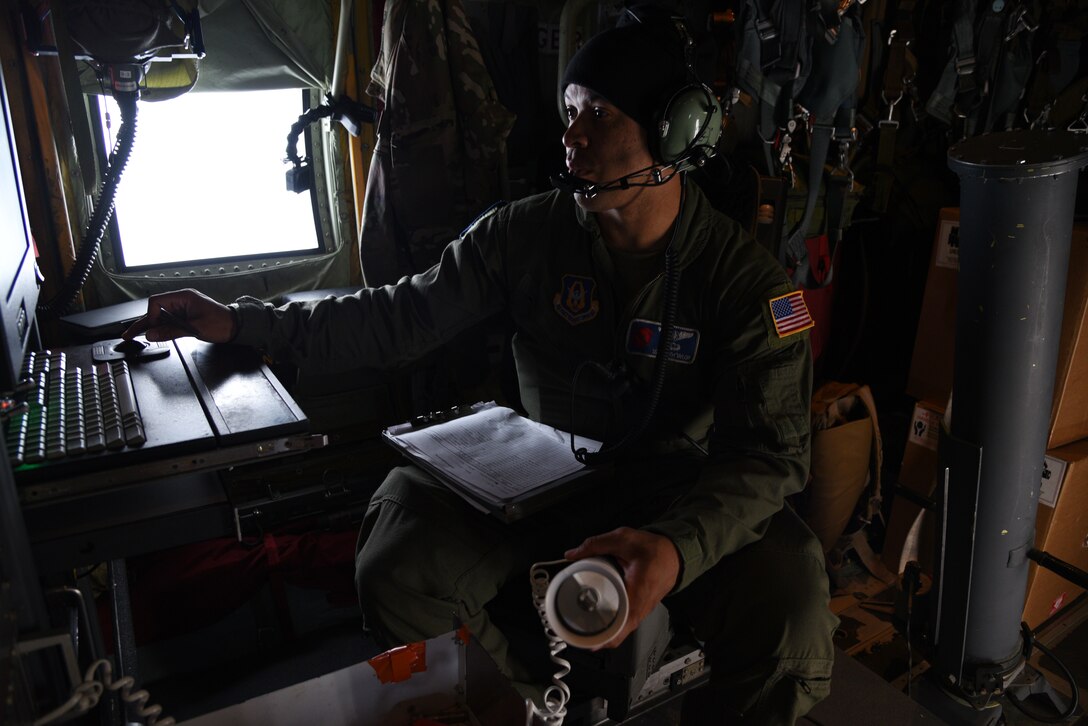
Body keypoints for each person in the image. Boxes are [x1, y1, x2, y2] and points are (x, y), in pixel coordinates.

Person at [124, 15, 838, 725]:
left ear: (674, 133)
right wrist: (245, 323)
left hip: (675, 496)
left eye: (597, 113)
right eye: (568, 112)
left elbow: (769, 459)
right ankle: (523, 710)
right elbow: (396, 317)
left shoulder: (750, 287)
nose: (572, 135)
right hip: (541, 478)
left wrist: (678, 549)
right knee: (396, 562)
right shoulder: (524, 233)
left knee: (791, 603)